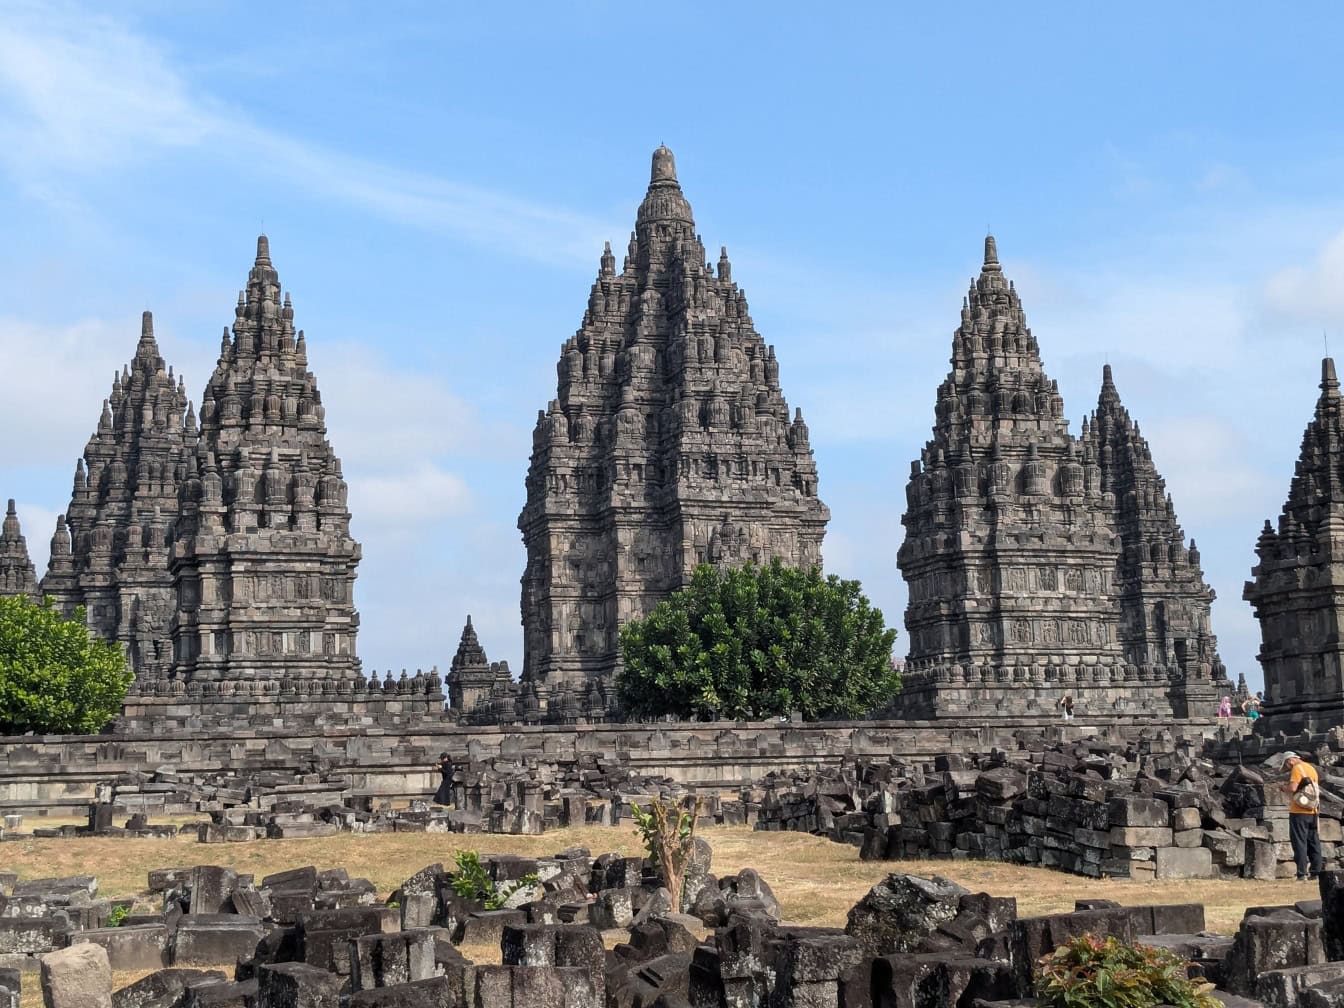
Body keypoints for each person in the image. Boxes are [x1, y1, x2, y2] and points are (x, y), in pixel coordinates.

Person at [1282, 752, 1323, 880]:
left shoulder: (1296, 768)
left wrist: (1284, 788)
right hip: (1313, 810)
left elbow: (1293, 788)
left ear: (1290, 761)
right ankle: (1316, 872)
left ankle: (1302, 873)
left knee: (1299, 842)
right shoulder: (1311, 768)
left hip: (1299, 810)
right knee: (1314, 842)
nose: (1288, 767)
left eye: (1287, 764)